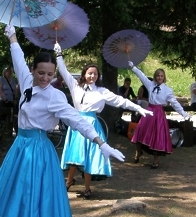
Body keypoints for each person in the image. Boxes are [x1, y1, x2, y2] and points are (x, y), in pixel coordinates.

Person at [0, 24, 125, 217]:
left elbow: (77, 120)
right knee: (13, 194)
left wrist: (101, 143)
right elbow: (18, 57)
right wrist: (12, 35)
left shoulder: (55, 96)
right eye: (41, 73)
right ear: (33, 70)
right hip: (20, 148)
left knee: (37, 202)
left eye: (49, 74)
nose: (45, 78)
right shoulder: (26, 82)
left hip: (39, 153)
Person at [54, 42, 152, 199]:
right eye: (90, 73)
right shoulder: (75, 86)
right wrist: (58, 54)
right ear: (84, 74)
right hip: (77, 124)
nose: (92, 76)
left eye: (95, 74)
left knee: (88, 157)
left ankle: (87, 187)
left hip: (92, 124)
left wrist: (138, 108)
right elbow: (63, 71)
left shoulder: (101, 92)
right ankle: (69, 181)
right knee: (75, 155)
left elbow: (120, 100)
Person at [128, 61, 190, 169]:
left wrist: (184, 114)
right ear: (155, 77)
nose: (159, 77)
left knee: (157, 136)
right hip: (149, 111)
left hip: (159, 114)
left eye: (161, 76)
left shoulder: (167, 90)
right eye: (157, 75)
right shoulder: (150, 84)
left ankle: (155, 161)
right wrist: (133, 67)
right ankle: (138, 153)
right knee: (139, 132)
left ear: (164, 77)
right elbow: (141, 76)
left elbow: (174, 103)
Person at [0, 66, 19, 135]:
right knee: (3, 116)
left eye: (10, 71)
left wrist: (15, 98)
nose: (10, 72)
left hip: (11, 101)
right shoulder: (1, 79)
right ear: (4, 72)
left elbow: (15, 90)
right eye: (8, 71)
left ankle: (9, 131)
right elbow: (0, 90)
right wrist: (5, 99)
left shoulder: (13, 80)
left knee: (12, 116)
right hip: (3, 101)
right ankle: (2, 131)